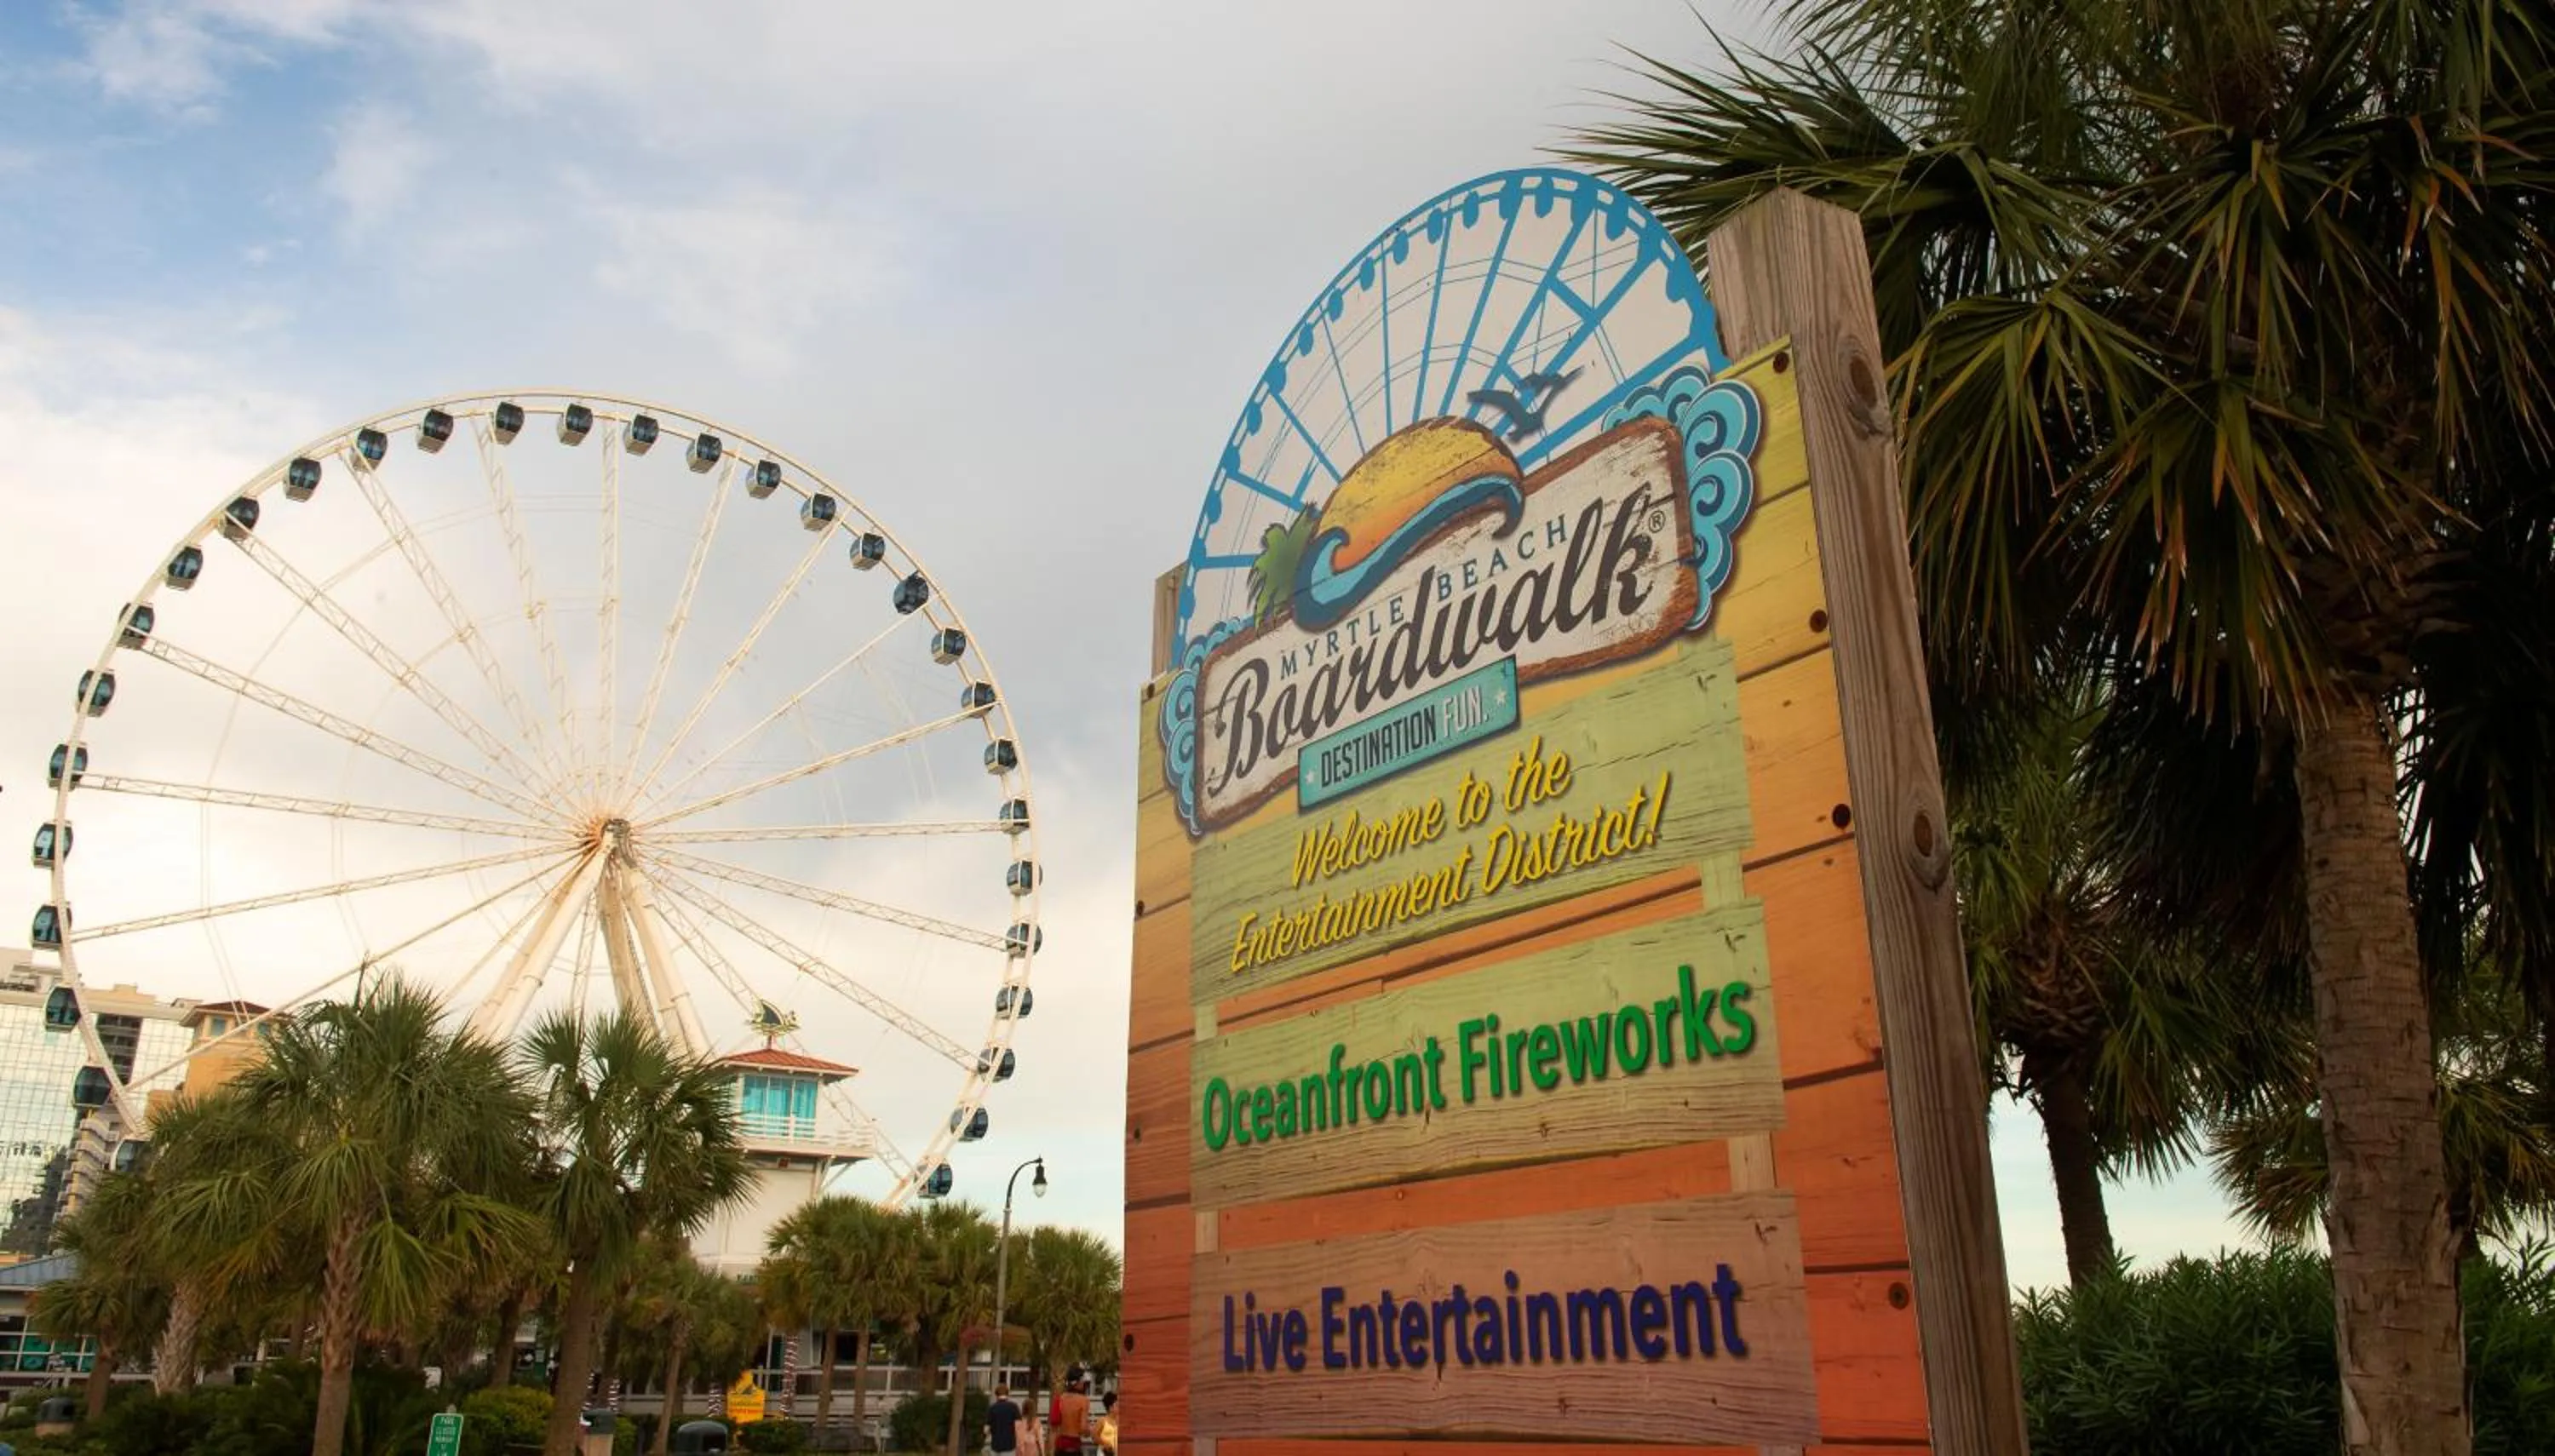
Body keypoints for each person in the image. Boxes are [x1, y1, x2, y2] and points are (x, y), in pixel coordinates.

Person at [1051, 1374, 1091, 1456]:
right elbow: (1083, 1428)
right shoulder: (1083, 1400)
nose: (1084, 1383)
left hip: (1061, 1445)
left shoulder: (1060, 1399)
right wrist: (1089, 1431)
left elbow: (1054, 1425)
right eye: (1082, 1380)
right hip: (1074, 1445)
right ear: (1077, 1383)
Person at [988, 1385, 1024, 1456]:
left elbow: (986, 1429)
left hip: (995, 1445)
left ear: (996, 1395)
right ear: (1008, 1394)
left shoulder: (992, 1408)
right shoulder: (1014, 1407)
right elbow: (1018, 1427)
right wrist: (1020, 1443)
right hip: (1009, 1445)